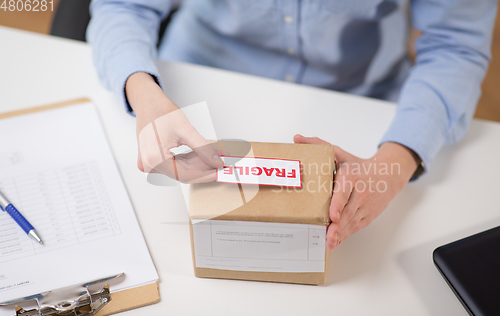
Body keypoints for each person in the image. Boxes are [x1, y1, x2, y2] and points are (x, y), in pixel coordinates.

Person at [87, 0, 497, 250]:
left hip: (360, 100)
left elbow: (456, 44)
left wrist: (395, 164)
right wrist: (143, 93)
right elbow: (124, 6)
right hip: (193, 86)